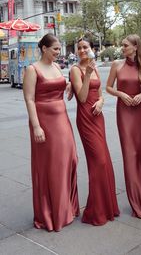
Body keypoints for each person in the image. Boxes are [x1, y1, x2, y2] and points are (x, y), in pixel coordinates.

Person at [23, 33, 79, 232]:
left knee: (70, 160)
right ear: (44, 48)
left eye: (59, 48)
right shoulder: (32, 69)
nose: (58, 52)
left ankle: (66, 206)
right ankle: (51, 212)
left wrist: (70, 85)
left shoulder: (56, 66)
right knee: (51, 166)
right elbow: (29, 99)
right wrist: (36, 126)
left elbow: (61, 84)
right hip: (44, 122)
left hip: (62, 120)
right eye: (55, 48)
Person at [106, 34, 141, 220]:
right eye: (122, 45)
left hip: (140, 113)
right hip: (124, 113)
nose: (123, 48)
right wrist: (121, 93)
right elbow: (108, 87)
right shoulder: (116, 65)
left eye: (126, 45)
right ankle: (138, 205)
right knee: (130, 156)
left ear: (136, 47)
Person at [70, 37, 120, 226]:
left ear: (92, 49)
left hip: (98, 118)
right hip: (85, 119)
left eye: (86, 47)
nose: (82, 50)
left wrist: (101, 102)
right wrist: (87, 74)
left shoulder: (95, 67)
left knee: (104, 161)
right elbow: (82, 98)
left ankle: (107, 207)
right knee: (98, 161)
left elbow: (100, 95)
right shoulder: (75, 70)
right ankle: (95, 210)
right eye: (79, 47)